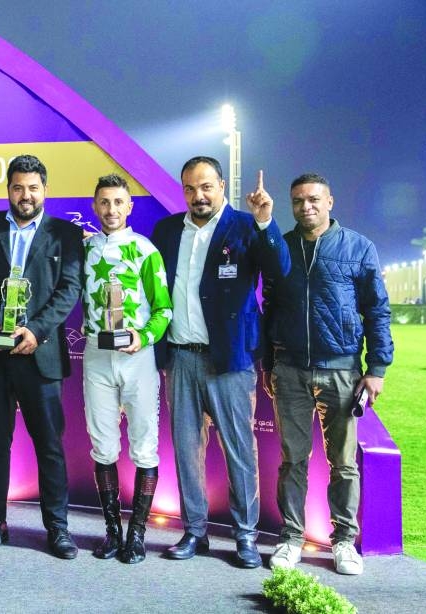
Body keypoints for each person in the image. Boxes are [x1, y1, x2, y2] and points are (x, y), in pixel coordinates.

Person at [150, 158, 290, 568]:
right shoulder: (167, 230)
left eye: (207, 186)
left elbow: (278, 271)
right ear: (183, 191)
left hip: (229, 358)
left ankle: (245, 536)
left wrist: (266, 223)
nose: (199, 196)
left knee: (239, 450)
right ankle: (195, 531)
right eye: (191, 188)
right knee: (187, 449)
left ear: (222, 185)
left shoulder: (246, 226)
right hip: (179, 357)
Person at [262, 173, 393, 575]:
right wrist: (270, 363)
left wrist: (377, 368)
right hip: (290, 369)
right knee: (293, 461)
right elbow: (270, 306)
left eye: (314, 199)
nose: (306, 207)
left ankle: (344, 541)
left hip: (342, 371)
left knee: (344, 463)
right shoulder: (282, 247)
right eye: (299, 200)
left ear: (330, 201)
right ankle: (290, 538)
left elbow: (377, 310)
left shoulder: (357, 247)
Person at [0, 154, 82, 559]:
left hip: (41, 354)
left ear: (44, 190)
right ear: (8, 189)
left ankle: (58, 528)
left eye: (33, 188)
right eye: (18, 187)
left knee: (49, 445)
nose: (25, 195)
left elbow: (69, 289)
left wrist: (36, 329)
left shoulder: (66, 235)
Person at [81, 173, 172, 564]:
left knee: (144, 444)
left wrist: (144, 337)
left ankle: (137, 534)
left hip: (138, 358)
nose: (111, 209)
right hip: (97, 356)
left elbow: (164, 309)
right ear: (95, 205)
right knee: (102, 444)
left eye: (119, 202)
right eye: (104, 202)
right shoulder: (83, 249)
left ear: (129, 207)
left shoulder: (145, 250)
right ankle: (112, 531)